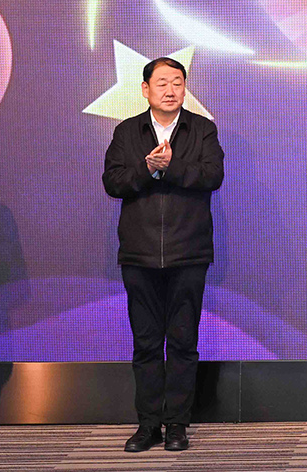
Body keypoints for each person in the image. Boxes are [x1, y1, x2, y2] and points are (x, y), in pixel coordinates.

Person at [101, 57, 224, 452]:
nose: (171, 91)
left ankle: (177, 425)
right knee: (147, 343)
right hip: (139, 254)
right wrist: (148, 169)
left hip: (188, 252)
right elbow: (113, 182)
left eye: (177, 83)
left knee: (183, 342)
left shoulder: (202, 129)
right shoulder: (127, 131)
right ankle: (148, 424)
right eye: (162, 83)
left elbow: (212, 176)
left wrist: (171, 166)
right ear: (145, 89)